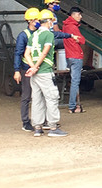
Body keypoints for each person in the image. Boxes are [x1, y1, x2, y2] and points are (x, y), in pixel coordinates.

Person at [13, 7, 79, 131]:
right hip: (31, 69)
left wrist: (70, 35)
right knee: (31, 96)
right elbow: (19, 53)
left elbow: (57, 34)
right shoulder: (25, 35)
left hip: (34, 69)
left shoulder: (38, 33)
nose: (37, 21)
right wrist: (19, 70)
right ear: (30, 21)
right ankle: (29, 122)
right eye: (34, 19)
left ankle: (39, 124)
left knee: (38, 97)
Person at [24, 9, 69, 137]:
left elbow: (27, 54)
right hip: (44, 72)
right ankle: (53, 127)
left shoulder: (33, 35)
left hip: (35, 74)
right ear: (49, 21)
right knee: (52, 97)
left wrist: (32, 67)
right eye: (51, 21)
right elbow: (45, 52)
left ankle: (37, 127)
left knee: (37, 99)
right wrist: (37, 66)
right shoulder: (48, 35)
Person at [62, 7, 87, 114]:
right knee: (75, 82)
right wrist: (79, 39)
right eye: (79, 14)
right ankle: (72, 106)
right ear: (73, 15)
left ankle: (74, 105)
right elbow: (82, 40)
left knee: (73, 81)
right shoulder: (73, 27)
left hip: (69, 56)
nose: (80, 17)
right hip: (76, 56)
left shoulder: (65, 26)